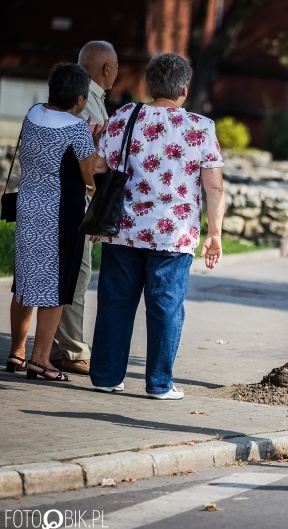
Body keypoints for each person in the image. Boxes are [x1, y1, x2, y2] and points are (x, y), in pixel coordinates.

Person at [88, 53, 225, 400]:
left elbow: (99, 167)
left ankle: (106, 376)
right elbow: (214, 186)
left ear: (149, 85)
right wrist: (215, 234)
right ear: (184, 87)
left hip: (124, 226)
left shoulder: (123, 116)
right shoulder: (200, 127)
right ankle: (159, 384)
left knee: (115, 302)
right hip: (173, 235)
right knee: (165, 307)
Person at [6, 63, 103, 381]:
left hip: (29, 207)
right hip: (61, 214)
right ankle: (41, 359)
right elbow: (88, 169)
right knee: (57, 287)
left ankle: (17, 352)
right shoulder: (75, 129)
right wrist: (94, 143)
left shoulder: (32, 113)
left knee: (25, 284)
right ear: (79, 98)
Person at [49, 41, 117, 376]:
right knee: (77, 272)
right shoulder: (87, 99)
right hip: (75, 198)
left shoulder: (83, 94)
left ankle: (50, 346)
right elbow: (85, 157)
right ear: (107, 69)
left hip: (53, 195)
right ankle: (71, 350)